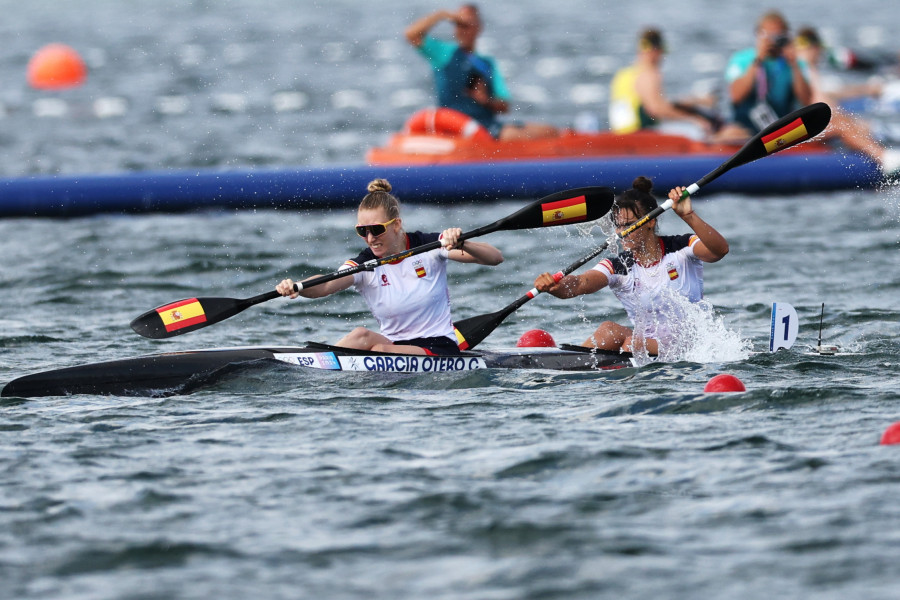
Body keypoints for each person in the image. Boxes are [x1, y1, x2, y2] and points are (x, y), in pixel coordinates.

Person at [276, 179, 503, 356]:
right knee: (360, 335)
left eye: (376, 229)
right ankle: (312, 364)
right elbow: (326, 285)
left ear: (396, 225)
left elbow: (495, 258)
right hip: (393, 346)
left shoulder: (430, 246)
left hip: (439, 349)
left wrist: (464, 243)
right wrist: (298, 286)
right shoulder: (365, 264)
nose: (370, 237)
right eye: (362, 231)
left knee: (379, 351)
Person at [533, 176, 729, 357]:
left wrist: (688, 215)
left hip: (691, 344)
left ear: (650, 222)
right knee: (608, 330)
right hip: (645, 343)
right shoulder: (618, 266)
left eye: (628, 225)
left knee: (633, 344)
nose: (621, 232)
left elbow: (719, 251)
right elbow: (579, 284)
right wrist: (555, 286)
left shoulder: (682, 247)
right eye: (618, 226)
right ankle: (571, 368)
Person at [405, 4, 558, 141]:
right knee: (513, 136)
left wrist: (485, 100)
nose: (461, 30)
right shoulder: (444, 53)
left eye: (467, 25)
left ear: (478, 28)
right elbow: (411, 34)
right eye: (458, 24)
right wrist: (442, 14)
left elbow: (504, 106)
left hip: (486, 124)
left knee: (549, 131)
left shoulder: (487, 63)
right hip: (455, 126)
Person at [609, 28, 751, 143]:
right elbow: (657, 109)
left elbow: (654, 103)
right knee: (710, 130)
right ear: (656, 51)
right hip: (641, 135)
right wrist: (695, 120)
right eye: (662, 53)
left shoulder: (624, 75)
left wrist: (696, 101)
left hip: (622, 134)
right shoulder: (650, 74)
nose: (662, 59)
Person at [794, 26, 900, 176]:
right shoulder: (804, 68)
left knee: (848, 123)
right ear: (814, 49)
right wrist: (851, 123)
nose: (820, 56)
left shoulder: (798, 67)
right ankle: (884, 159)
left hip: (796, 127)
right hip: (792, 134)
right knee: (844, 124)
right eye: (819, 51)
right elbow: (824, 104)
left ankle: (878, 151)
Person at [725, 10, 812, 133]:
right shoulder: (742, 59)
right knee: (731, 132)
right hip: (746, 127)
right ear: (758, 35)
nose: (772, 41)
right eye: (768, 35)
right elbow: (736, 97)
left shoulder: (794, 63)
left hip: (781, 126)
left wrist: (794, 64)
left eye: (777, 36)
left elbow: (807, 100)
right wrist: (758, 59)